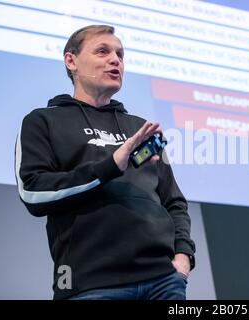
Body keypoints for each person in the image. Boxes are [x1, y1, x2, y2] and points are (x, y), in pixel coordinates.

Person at [14, 25, 195, 300]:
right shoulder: (43, 121)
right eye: (103, 51)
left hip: (163, 282)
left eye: (120, 54)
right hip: (91, 284)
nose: (116, 60)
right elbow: (34, 191)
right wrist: (109, 166)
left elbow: (173, 201)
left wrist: (183, 256)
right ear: (71, 61)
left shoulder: (139, 128)